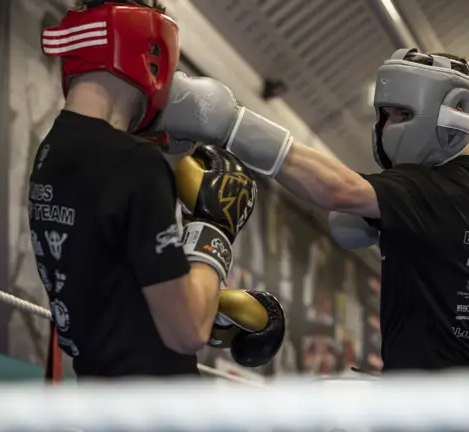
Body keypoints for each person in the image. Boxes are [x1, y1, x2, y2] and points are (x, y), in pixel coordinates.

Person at [149, 48, 469, 371]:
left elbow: (337, 190)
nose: (385, 128)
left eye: (399, 115)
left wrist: (228, 122)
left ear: (452, 118)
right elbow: (353, 220)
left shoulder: (439, 192)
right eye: (383, 116)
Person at [29, 0, 284, 378]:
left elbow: (117, 290)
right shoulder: (133, 163)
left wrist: (220, 304)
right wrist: (216, 228)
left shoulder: (50, 157)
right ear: (154, 52)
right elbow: (187, 331)